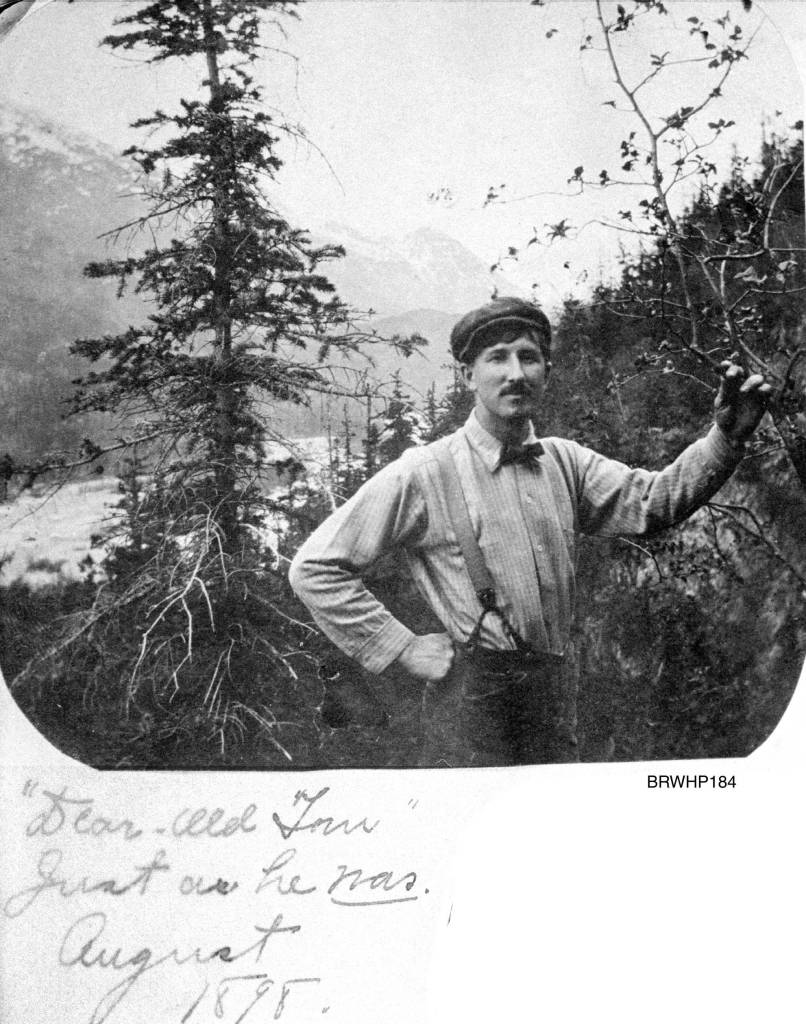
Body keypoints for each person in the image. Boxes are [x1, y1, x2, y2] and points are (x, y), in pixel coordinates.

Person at [289, 297, 770, 767]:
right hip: (469, 717)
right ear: (468, 375)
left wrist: (727, 438)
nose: (515, 373)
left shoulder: (565, 461)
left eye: (529, 357)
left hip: (553, 702)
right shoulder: (425, 472)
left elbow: (653, 502)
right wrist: (403, 647)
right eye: (496, 358)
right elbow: (315, 569)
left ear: (546, 369)